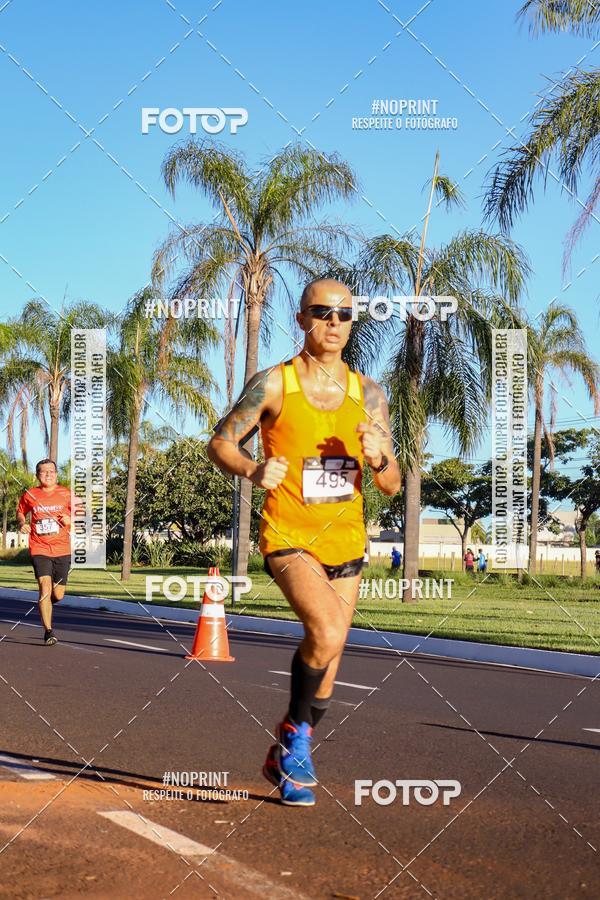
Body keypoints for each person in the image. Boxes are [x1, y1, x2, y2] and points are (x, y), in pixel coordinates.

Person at [207, 278, 401, 806]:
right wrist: (252, 468)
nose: (334, 323)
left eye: (344, 314)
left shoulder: (370, 394)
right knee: (327, 629)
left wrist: (379, 454)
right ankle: (295, 741)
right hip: (289, 533)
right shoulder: (274, 384)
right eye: (323, 312)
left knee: (331, 657)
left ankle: (287, 750)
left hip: (348, 538)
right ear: (302, 319)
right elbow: (220, 443)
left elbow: (391, 484)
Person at [16, 459, 73, 646]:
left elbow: (81, 517)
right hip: (39, 548)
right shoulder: (30, 494)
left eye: (51, 471)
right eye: (43, 471)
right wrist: (22, 523)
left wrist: (68, 519)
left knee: (59, 595)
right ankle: (48, 632)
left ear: (56, 474)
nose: (48, 474)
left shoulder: (66, 494)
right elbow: (20, 512)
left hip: (62, 549)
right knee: (45, 588)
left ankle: (45, 604)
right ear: (37, 475)